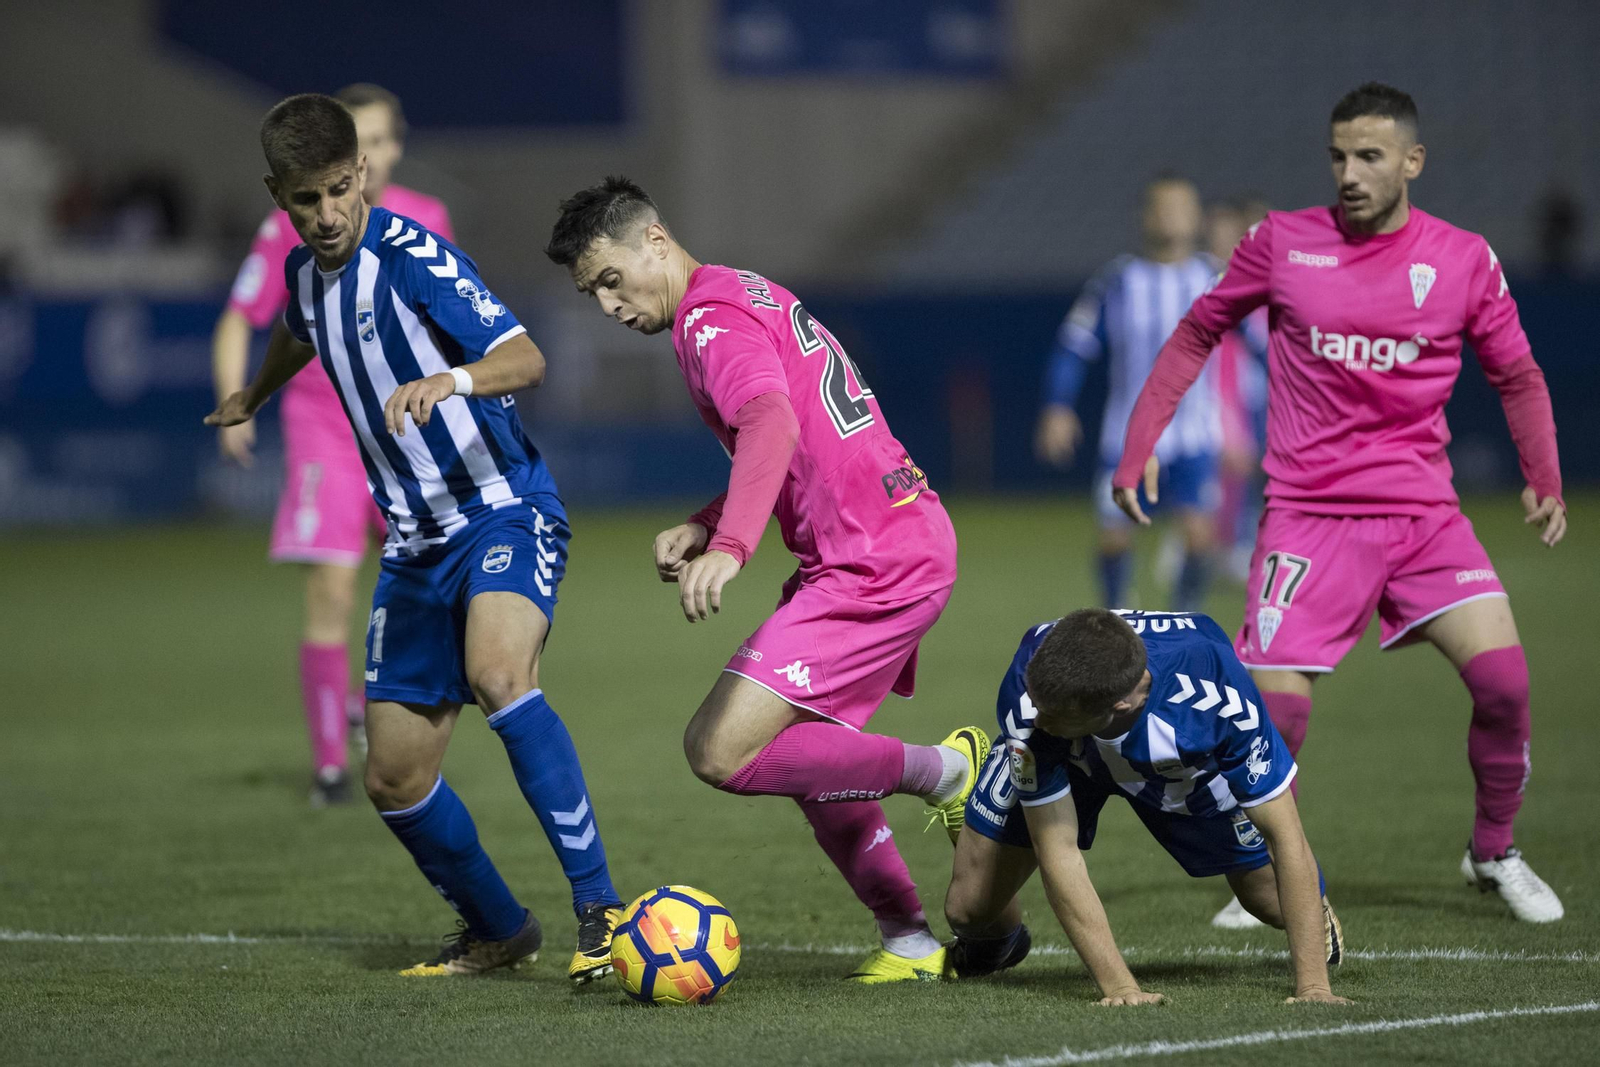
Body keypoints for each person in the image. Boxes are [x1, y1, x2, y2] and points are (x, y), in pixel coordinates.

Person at [1112, 83, 1566, 923]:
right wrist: (1139, 445)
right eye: (1337, 156)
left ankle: (1494, 851)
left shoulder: (1464, 259)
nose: (1349, 173)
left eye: (1369, 156)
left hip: (1424, 516)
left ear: (1412, 162)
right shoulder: (1282, 243)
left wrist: (1542, 473)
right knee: (1275, 710)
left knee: (1504, 682)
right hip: (1309, 517)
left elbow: (1518, 372)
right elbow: (1197, 332)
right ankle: (1262, 871)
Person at [207, 94, 626, 981]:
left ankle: (603, 911)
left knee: (501, 673)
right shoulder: (302, 272)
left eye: (335, 191)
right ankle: (498, 928)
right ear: (276, 193)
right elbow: (295, 327)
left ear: (360, 172)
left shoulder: (413, 257)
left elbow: (526, 357)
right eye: (303, 200)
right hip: (414, 544)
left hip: (501, 506)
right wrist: (257, 392)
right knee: (393, 778)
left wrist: (454, 380)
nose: (324, 216)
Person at [545, 176, 987, 983]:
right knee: (809, 754)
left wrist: (734, 546)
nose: (607, 305)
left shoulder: (709, 320)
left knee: (719, 748)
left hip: (874, 558)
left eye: (610, 279)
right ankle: (913, 939)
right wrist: (708, 520)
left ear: (654, 238)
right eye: (591, 294)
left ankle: (949, 771)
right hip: (882, 542)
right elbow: (793, 438)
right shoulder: (739, 290)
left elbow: (771, 420)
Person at [210, 84, 453, 806]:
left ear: (393, 149)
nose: (370, 155)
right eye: (361, 141)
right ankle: (329, 765)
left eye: (381, 141)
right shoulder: (298, 217)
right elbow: (240, 316)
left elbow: (446, 317)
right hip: (325, 429)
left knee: (431, 585)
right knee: (334, 586)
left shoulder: (427, 218)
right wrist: (241, 400)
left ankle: (361, 702)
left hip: (403, 428)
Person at [944, 608, 1349, 1006]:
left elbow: (1285, 836)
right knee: (968, 909)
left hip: (1182, 770)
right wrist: (1121, 988)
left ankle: (1316, 911)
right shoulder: (1032, 698)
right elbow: (1057, 849)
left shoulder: (1219, 699)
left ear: (1119, 704)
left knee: (1269, 901)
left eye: (1051, 713)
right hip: (1070, 755)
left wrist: (1314, 987)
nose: (1037, 717)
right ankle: (995, 928)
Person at [1034, 175, 1222, 612]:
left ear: (1196, 217)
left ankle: (1183, 619)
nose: (1170, 216)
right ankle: (1117, 617)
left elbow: (1261, 343)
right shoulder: (1118, 281)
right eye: (1161, 207)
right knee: (1114, 537)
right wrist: (1058, 407)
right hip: (1126, 435)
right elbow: (1073, 345)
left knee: (1199, 536)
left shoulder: (1215, 278)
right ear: (1144, 217)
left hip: (1194, 434)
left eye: (1180, 207)